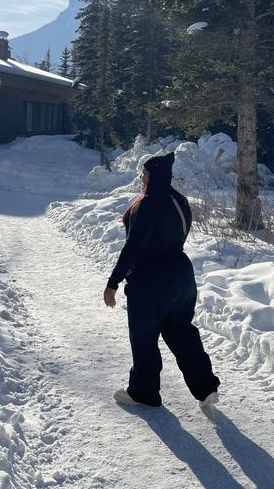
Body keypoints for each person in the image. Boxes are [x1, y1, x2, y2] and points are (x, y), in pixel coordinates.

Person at [103, 152, 220, 409]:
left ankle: (144, 391)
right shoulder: (179, 200)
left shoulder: (148, 203)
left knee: (144, 336)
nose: (142, 177)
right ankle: (206, 387)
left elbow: (133, 245)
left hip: (149, 279)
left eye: (144, 173)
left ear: (153, 174)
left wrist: (113, 282)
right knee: (181, 332)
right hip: (180, 275)